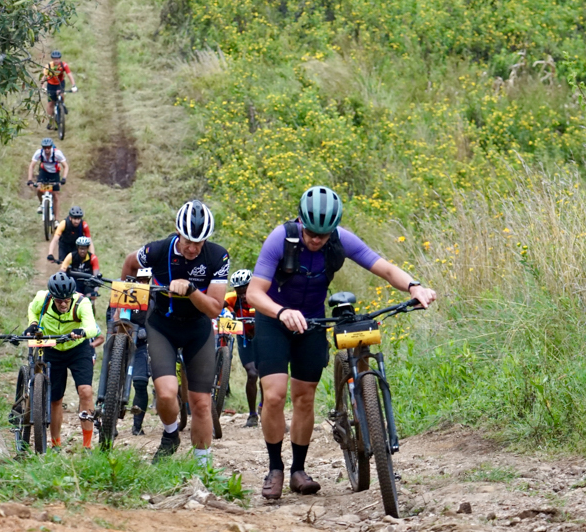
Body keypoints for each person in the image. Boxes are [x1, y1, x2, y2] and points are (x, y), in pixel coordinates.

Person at [245, 186, 436, 499]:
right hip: (274, 319)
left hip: (313, 322)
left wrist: (415, 286)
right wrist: (282, 312)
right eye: (311, 233)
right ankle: (275, 467)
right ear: (300, 221)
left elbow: (384, 268)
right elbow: (254, 293)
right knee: (276, 395)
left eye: (323, 235)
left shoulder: (339, 239)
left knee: (304, 397)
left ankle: (299, 471)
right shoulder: (280, 238)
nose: (317, 240)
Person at [120, 200, 229, 464]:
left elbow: (214, 310)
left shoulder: (217, 256)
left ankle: (203, 466)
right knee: (167, 393)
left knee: (201, 402)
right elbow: (129, 265)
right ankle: (170, 435)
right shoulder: (156, 250)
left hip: (197, 329)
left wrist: (191, 290)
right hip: (162, 326)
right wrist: (125, 308)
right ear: (177, 233)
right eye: (188, 241)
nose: (193, 248)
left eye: (199, 242)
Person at [26, 271, 101, 450]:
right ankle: (56, 443)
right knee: (56, 399)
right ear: (52, 296)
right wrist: (34, 323)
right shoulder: (42, 298)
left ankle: (87, 445)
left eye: (66, 299)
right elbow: (32, 309)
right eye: (59, 300)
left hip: (78, 348)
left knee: (86, 391)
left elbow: (91, 326)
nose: (63, 304)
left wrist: (82, 332)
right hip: (52, 347)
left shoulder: (82, 303)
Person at [226, 269, 260, 428]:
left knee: (266, 374)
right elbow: (219, 305)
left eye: (245, 292)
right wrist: (226, 314)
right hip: (244, 337)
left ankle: (264, 408)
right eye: (239, 292)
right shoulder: (232, 297)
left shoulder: (261, 295)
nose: (242, 296)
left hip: (263, 337)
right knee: (252, 374)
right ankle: (252, 414)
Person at [129, 266, 154, 435]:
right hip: (122, 342)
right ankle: (108, 421)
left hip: (141, 344)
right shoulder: (123, 294)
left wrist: (148, 330)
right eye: (139, 280)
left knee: (140, 383)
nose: (142, 283)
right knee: (111, 381)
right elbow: (112, 315)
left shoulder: (153, 298)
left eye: (145, 280)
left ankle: (137, 426)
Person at [26, 138, 67, 218]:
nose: (47, 149)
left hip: (55, 173)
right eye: (45, 147)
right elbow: (31, 166)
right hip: (44, 172)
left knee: (55, 195)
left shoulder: (57, 153)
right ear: (42, 147)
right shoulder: (39, 152)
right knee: (39, 189)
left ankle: (56, 220)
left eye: (48, 147)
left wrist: (63, 178)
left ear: (51, 147)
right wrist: (30, 180)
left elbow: (65, 166)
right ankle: (42, 204)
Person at [42, 51, 77, 129]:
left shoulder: (63, 65)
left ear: (60, 59)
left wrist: (74, 85)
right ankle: (50, 121)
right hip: (51, 85)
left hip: (60, 84)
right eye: (54, 59)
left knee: (61, 94)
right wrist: (43, 87)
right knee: (51, 104)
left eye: (57, 59)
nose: (56, 60)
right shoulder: (48, 66)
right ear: (52, 59)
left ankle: (62, 104)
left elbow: (69, 75)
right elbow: (43, 78)